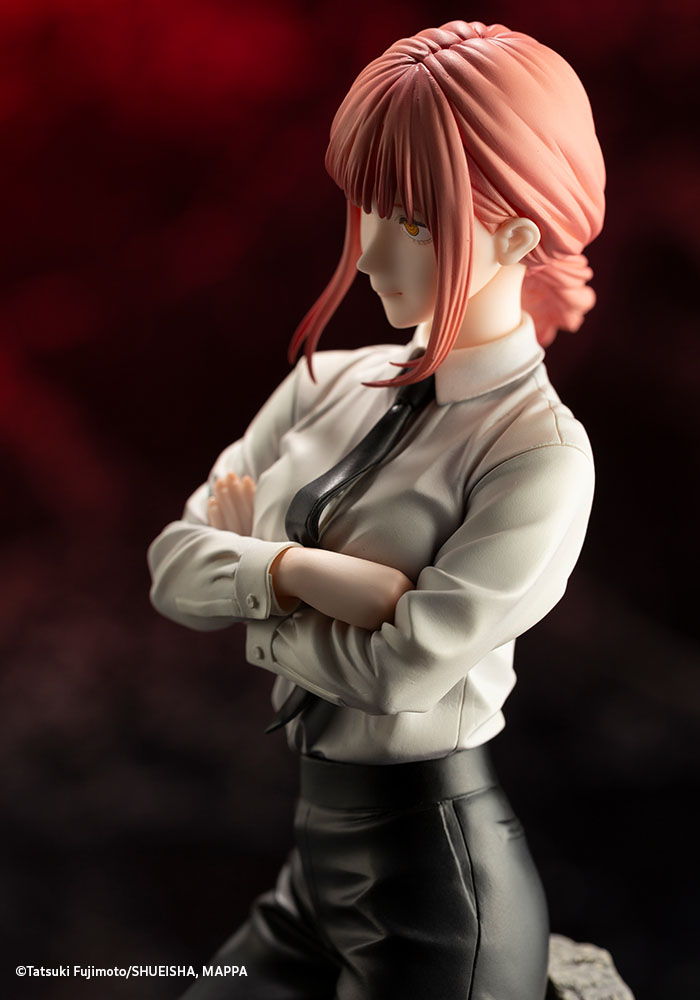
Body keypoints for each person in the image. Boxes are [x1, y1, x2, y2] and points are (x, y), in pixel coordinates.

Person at [148, 20, 605, 1000]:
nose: (365, 252)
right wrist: (301, 572)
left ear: (517, 234)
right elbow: (172, 568)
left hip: (437, 887)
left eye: (413, 220)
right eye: (363, 206)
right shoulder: (330, 383)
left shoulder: (539, 456)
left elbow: (400, 670)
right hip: (309, 868)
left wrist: (250, 593)